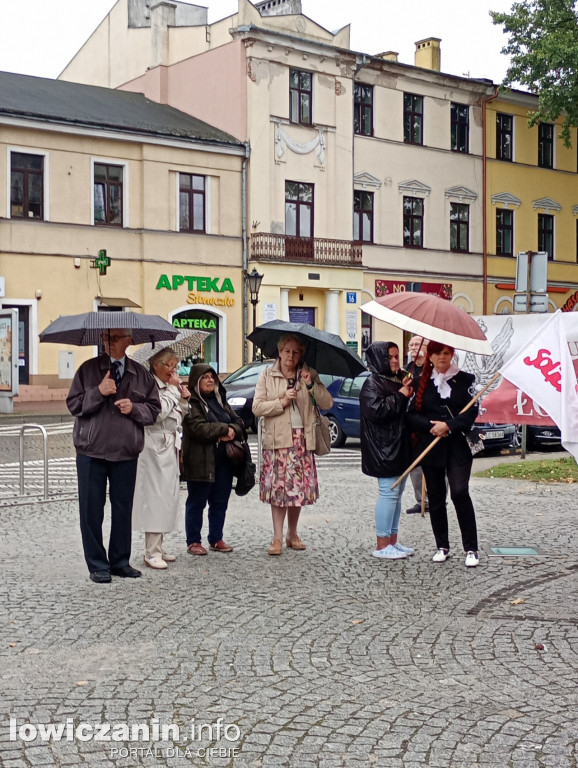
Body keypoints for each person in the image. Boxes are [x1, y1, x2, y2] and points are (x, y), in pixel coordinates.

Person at [66, 329, 161, 584]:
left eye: (116, 338)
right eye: (107, 338)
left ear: (129, 341)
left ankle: (119, 561)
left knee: (122, 509)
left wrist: (134, 408)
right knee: (91, 510)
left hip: (125, 450)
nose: (109, 343)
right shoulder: (88, 370)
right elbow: (73, 404)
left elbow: (154, 410)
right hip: (91, 450)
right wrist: (98, 391)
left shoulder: (140, 375)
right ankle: (97, 564)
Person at [252, 333, 333, 555]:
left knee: (297, 491)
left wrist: (310, 385)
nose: (291, 355)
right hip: (277, 441)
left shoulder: (308, 374)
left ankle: (292, 533)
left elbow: (327, 402)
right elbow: (257, 408)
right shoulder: (267, 375)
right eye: (287, 351)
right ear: (279, 352)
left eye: (296, 352)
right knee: (278, 491)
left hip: (302, 440)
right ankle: (276, 537)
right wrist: (282, 401)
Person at [407, 340, 480, 567]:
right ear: (429, 356)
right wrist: (431, 425)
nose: (441, 357)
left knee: (459, 493)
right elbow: (411, 416)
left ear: (452, 355)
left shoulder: (466, 380)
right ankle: (442, 545)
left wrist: (448, 425)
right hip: (432, 446)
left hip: (457, 445)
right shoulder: (420, 382)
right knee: (436, 498)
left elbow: (471, 414)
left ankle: (471, 549)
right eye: (437, 353)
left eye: (446, 353)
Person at [132, 348, 190, 570]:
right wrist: (174, 393)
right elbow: (157, 413)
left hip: (169, 446)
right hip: (153, 446)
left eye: (176, 365)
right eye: (169, 365)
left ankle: (159, 546)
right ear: (156, 365)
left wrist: (183, 401)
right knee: (155, 499)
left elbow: (177, 416)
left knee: (168, 498)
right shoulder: (150, 386)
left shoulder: (169, 387)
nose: (174, 370)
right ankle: (151, 550)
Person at [181, 364, 245, 555]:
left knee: (220, 501)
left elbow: (240, 422)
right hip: (200, 460)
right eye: (205, 377)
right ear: (196, 381)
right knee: (197, 502)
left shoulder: (220, 399)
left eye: (212, 377)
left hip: (224, 460)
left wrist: (232, 431)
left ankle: (216, 538)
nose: (210, 380)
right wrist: (224, 429)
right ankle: (193, 541)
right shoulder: (191, 402)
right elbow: (198, 428)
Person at [360, 342, 415, 560]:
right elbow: (378, 411)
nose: (395, 360)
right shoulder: (372, 384)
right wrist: (401, 395)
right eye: (389, 357)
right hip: (383, 449)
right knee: (388, 493)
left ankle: (392, 540)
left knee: (397, 495)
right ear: (379, 360)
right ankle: (382, 545)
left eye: (396, 356)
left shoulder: (392, 380)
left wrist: (404, 392)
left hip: (397, 447)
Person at [405, 335, 430, 515]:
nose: (414, 347)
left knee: (434, 462)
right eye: (411, 344)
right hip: (412, 424)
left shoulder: (432, 369)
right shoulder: (405, 371)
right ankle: (421, 500)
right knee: (415, 464)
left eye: (418, 344)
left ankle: (437, 499)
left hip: (429, 422)